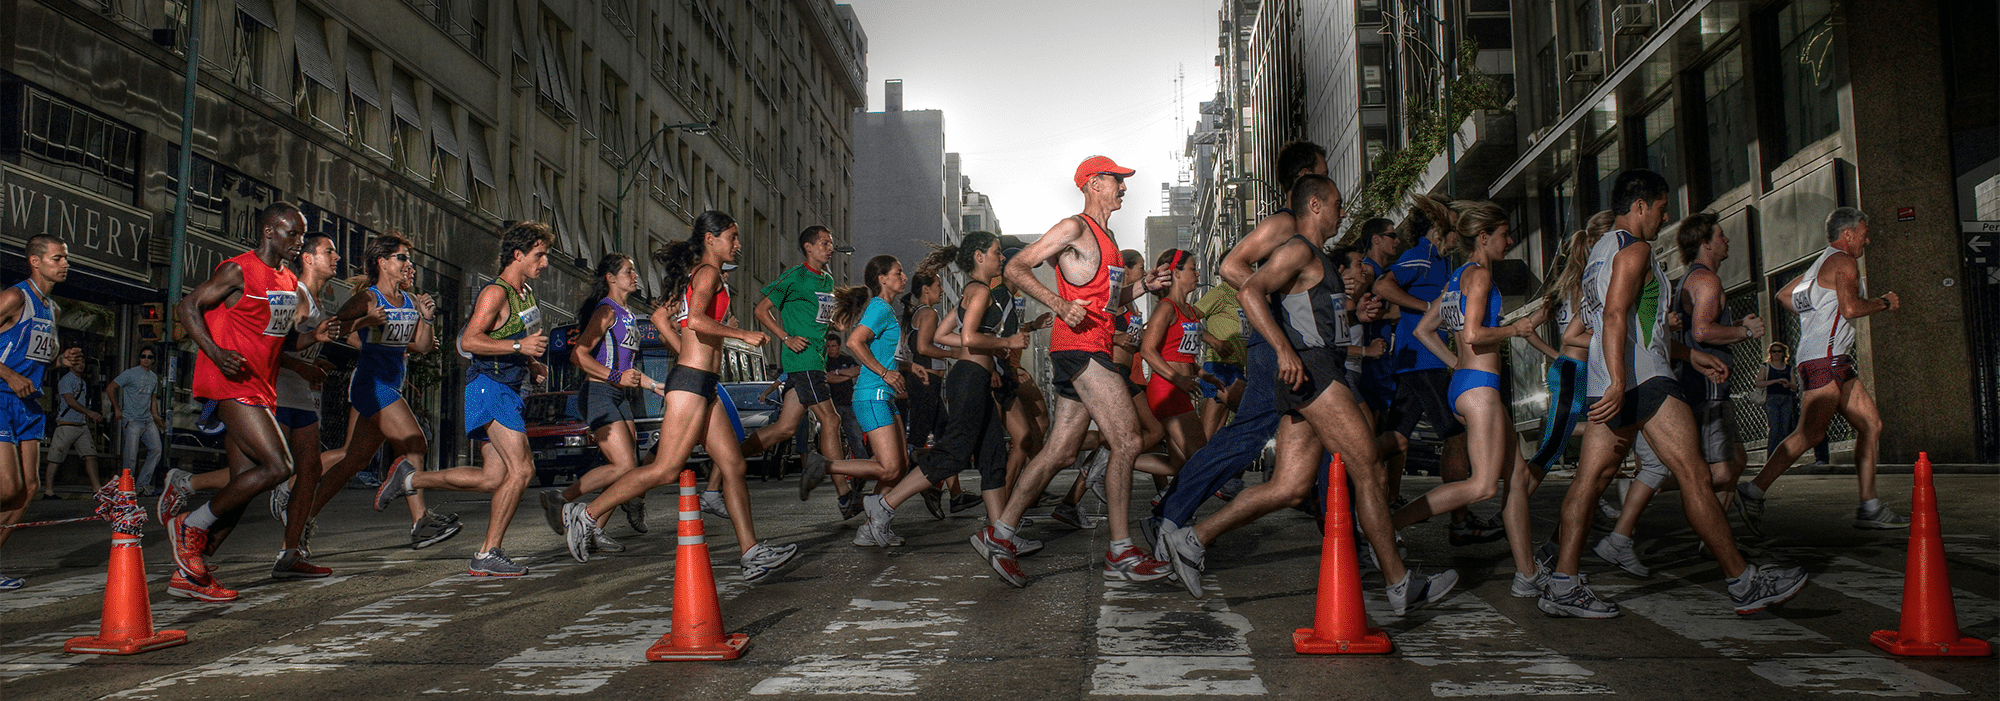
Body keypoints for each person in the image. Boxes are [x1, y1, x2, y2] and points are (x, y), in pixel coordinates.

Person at [1158, 176, 1456, 612]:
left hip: (1314, 373)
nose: (1341, 212)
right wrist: (1282, 349)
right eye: (1336, 203)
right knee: (1368, 468)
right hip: (1314, 373)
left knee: (1291, 487)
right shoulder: (1297, 249)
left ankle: (1192, 539)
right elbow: (1249, 288)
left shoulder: (1320, 259)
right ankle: (1399, 583)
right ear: (1314, 206)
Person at [1539, 169, 1805, 618]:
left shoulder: (1601, 253)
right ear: (1640, 205)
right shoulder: (1636, 249)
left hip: (1613, 383)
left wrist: (1684, 353)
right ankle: (1743, 582)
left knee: (1588, 484)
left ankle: (1562, 582)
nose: (1665, 217)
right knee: (1695, 476)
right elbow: (1618, 319)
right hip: (1645, 383)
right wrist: (1626, 382)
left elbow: (1620, 322)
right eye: (1662, 207)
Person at [562, 212, 802, 582]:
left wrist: (726, 333)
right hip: (690, 383)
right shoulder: (707, 273)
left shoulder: (707, 275)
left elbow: (684, 321)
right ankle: (588, 514)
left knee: (734, 465)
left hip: (704, 384)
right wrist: (742, 335)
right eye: (732, 237)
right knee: (665, 469)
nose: (737, 244)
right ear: (710, 238)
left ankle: (752, 553)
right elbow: (697, 322)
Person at [982, 156, 1175, 587]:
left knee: (1060, 452)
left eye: (1123, 181)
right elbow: (1016, 266)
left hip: (1092, 344)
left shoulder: (1107, 237)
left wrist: (1146, 285)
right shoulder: (1074, 227)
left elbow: (1108, 299)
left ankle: (1001, 533)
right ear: (1091, 184)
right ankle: (1122, 550)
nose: (1123, 187)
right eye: (1116, 180)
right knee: (1127, 439)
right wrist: (1059, 304)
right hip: (1081, 348)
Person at [1146, 141, 1326, 553]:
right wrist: (1272, 305)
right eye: (1322, 172)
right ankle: (1169, 516)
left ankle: (1354, 537)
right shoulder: (1285, 222)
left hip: (1291, 351)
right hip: (1274, 350)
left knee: (1314, 442)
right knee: (1241, 439)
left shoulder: (1301, 229)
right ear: (1304, 179)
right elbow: (1231, 266)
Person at [167, 203, 342, 601]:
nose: (299, 242)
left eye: (302, 235)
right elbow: (187, 306)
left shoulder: (285, 281)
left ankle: (192, 568)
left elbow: (281, 339)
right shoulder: (238, 269)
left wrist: (314, 339)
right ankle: (188, 526)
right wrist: (213, 351)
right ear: (268, 231)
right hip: (229, 382)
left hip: (261, 385)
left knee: (243, 487)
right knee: (280, 466)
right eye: (292, 234)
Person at [375, 221, 553, 576]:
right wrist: (520, 347)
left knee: (491, 478)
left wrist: (530, 362)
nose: (545, 262)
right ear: (517, 255)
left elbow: (511, 337)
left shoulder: (526, 292)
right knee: (523, 469)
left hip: (508, 387)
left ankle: (410, 479)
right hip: (490, 387)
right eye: (539, 255)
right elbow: (469, 341)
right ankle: (488, 553)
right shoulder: (495, 293)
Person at [1594, 211, 1766, 575]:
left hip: (1667, 377)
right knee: (1701, 473)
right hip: (1686, 385)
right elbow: (1700, 330)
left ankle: (1712, 545)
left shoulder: (1671, 274)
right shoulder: (1693, 277)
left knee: (1719, 466)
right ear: (1705, 242)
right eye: (1721, 234)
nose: (1727, 240)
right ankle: (1736, 570)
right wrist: (1744, 333)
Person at [1406, 200, 1554, 597]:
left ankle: (1527, 574)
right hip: (1479, 390)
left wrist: (1458, 365)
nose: (1510, 241)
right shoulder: (1481, 278)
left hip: (1469, 383)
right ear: (1484, 238)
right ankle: (1384, 526)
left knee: (1518, 476)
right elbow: (1474, 335)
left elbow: (1424, 330)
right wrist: (1516, 330)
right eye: (1504, 235)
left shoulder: (1457, 277)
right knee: (1484, 486)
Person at [1739, 207, 1906, 532]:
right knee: (1810, 433)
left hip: (1831, 358)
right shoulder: (1843, 261)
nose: (1867, 239)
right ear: (1848, 234)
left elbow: (1784, 295)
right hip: (1824, 359)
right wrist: (1885, 302)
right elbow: (1850, 308)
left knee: (1871, 423)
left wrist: (1815, 314)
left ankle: (1870, 506)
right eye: (1864, 233)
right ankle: (1752, 490)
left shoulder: (1819, 265)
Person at [291, 233, 456, 553]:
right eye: (402, 258)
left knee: (352, 462)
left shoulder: (409, 301)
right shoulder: (368, 298)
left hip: (391, 384)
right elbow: (334, 328)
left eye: (409, 258)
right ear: (382, 262)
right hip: (371, 385)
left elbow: (421, 346)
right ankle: (420, 522)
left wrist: (427, 318)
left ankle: (301, 518)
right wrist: (368, 322)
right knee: (415, 441)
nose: (408, 264)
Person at [862, 232, 1024, 554]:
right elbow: (967, 337)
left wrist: (983, 350)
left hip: (973, 376)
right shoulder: (979, 292)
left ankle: (1001, 535)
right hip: (969, 380)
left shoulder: (974, 292)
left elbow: (941, 335)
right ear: (979, 257)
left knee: (993, 457)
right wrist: (1004, 343)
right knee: (953, 454)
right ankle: (884, 504)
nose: (1001, 258)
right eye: (996, 252)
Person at [1373, 195, 1495, 546]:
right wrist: (1428, 306)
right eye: (1453, 228)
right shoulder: (1422, 257)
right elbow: (1383, 285)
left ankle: (1349, 462)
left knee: (1397, 439)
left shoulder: (1438, 261)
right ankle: (1459, 520)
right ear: (1439, 229)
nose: (1458, 236)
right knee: (1455, 437)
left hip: (1416, 362)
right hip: (1424, 361)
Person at [536, 254, 665, 552]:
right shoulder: (606, 311)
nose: (635, 276)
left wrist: (655, 385)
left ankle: (595, 528)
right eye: (628, 271)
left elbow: (628, 368)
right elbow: (578, 355)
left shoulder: (628, 314)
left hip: (618, 396)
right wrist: (616, 376)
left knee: (627, 469)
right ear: (611, 277)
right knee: (624, 465)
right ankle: (563, 499)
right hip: (598, 394)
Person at [740, 226, 849, 511]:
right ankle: (844, 495)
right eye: (824, 243)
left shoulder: (827, 280)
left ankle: (732, 459)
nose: (829, 248)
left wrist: (840, 321)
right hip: (803, 362)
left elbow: (824, 319)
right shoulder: (794, 276)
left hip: (817, 359)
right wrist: (786, 337)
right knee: (832, 420)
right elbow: (761, 310)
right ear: (808, 247)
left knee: (785, 428)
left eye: (831, 243)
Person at [267, 232, 341, 578]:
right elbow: (273, 347)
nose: (337, 257)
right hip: (278, 393)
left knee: (309, 471)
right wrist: (303, 365)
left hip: (302, 398)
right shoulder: (296, 295)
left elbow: (302, 348)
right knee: (264, 471)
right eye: (330, 251)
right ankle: (188, 484)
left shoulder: (317, 300)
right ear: (308, 257)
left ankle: (290, 552)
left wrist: (315, 365)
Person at [0, 234, 69, 591]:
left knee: (28, 488)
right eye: (57, 258)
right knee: (7, 487)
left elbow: (34, 355)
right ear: (35, 261)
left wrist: (60, 361)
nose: (65, 265)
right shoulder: (14, 297)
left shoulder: (53, 309)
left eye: (65, 259)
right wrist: (9, 375)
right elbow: (10, 365)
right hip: (0, 396)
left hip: (30, 404)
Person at [830, 255, 914, 545]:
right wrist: (885, 373)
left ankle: (870, 528)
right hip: (872, 394)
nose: (904, 276)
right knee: (889, 467)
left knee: (899, 465)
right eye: (898, 272)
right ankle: (825, 466)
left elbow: (884, 353)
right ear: (882, 279)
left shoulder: (886, 310)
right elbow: (855, 341)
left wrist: (907, 368)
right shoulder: (879, 307)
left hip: (884, 396)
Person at [1138, 249, 1208, 469]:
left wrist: (1205, 376)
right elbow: (1147, 351)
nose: (1197, 274)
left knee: (1177, 465)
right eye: (1193, 268)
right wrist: (1178, 379)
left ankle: (1112, 461)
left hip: (1181, 388)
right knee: (1201, 458)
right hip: (1167, 389)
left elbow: (1182, 355)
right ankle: (1113, 458)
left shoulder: (1190, 311)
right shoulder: (1166, 308)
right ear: (1176, 273)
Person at [43, 347, 104, 498]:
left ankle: (97, 489)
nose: (81, 365)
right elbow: (70, 401)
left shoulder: (82, 382)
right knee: (55, 458)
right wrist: (89, 412)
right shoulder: (66, 380)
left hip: (80, 425)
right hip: (67, 424)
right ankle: (48, 490)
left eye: (82, 363)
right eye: (77, 363)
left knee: (90, 455)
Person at [1758, 342, 1829, 469]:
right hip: (1772, 399)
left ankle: (1783, 458)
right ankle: (1771, 459)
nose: (1776, 354)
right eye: (1773, 351)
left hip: (1786, 398)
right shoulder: (1766, 366)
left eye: (1779, 351)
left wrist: (1787, 384)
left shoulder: (1789, 368)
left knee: (1785, 429)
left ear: (1783, 353)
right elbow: (1759, 383)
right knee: (1774, 428)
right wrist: (1775, 381)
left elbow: (1795, 386)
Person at [106, 346, 165, 495]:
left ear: (153, 360)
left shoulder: (153, 377)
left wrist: (156, 416)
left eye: (149, 357)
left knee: (156, 450)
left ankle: (141, 485)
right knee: (130, 457)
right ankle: (127, 486)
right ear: (139, 358)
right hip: (132, 419)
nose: (146, 359)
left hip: (147, 420)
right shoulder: (130, 373)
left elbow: (153, 398)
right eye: (143, 356)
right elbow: (110, 388)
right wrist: (117, 409)